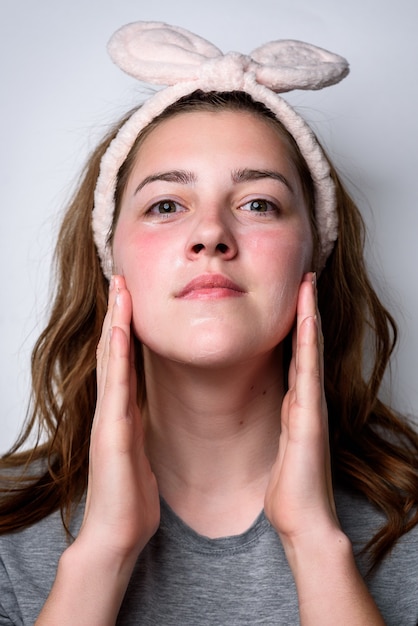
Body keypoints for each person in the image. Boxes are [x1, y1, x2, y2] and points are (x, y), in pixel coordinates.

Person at [1, 21, 418, 625]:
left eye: (259, 204)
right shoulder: (10, 532)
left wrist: (317, 547)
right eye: (166, 205)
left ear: (315, 253)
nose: (211, 235)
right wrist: (100, 557)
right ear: (109, 258)